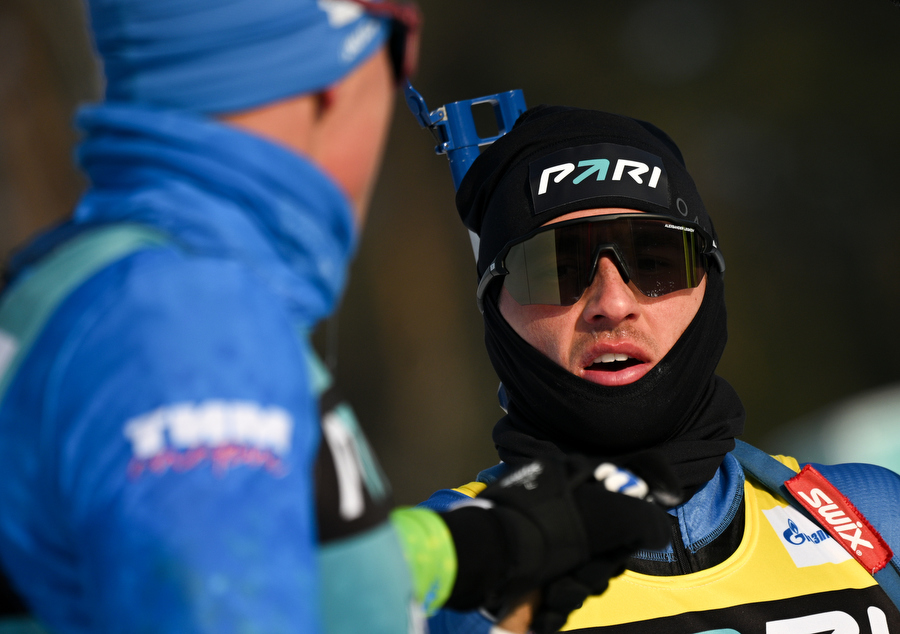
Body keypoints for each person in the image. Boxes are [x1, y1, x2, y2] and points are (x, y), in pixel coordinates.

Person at [0, 2, 678, 633]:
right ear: (336, 84)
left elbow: (238, 556)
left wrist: (470, 547)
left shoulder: (81, 285)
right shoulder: (192, 325)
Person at [420, 104, 900, 633]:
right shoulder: (429, 571)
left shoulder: (876, 516)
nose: (613, 303)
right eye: (556, 268)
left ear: (710, 280)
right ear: (494, 309)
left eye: (654, 262)